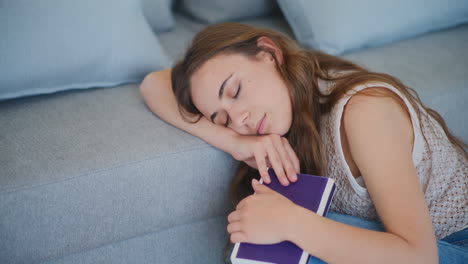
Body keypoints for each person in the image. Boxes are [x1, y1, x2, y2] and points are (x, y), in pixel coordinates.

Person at [139, 23, 467, 263]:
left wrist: (291, 222)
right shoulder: (284, 111)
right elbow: (153, 84)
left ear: (269, 53)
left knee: (289, 239)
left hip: (451, 245)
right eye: (223, 118)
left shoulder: (365, 111)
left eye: (236, 91)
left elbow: (419, 257)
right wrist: (234, 142)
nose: (239, 120)